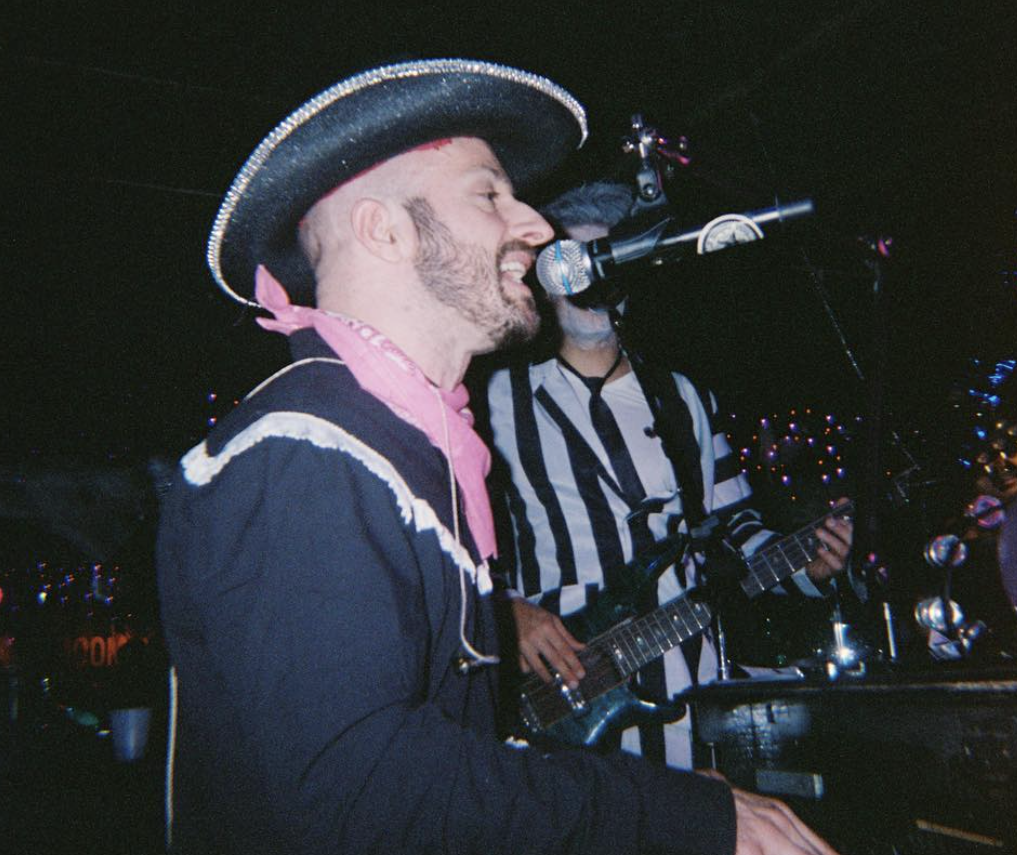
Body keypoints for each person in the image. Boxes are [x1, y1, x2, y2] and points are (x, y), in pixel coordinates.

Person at [156, 60, 841, 855]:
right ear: (385, 230)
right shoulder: (303, 455)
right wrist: (671, 814)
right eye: (490, 194)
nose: (537, 227)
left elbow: (447, 757)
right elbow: (362, 797)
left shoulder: (401, 448)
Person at [485, 182, 853, 769]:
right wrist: (504, 612)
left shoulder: (684, 399)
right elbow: (454, 544)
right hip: (553, 698)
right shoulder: (495, 405)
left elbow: (733, 526)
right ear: (548, 278)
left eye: (611, 261)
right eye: (578, 262)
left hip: (686, 691)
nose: (593, 282)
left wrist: (804, 564)